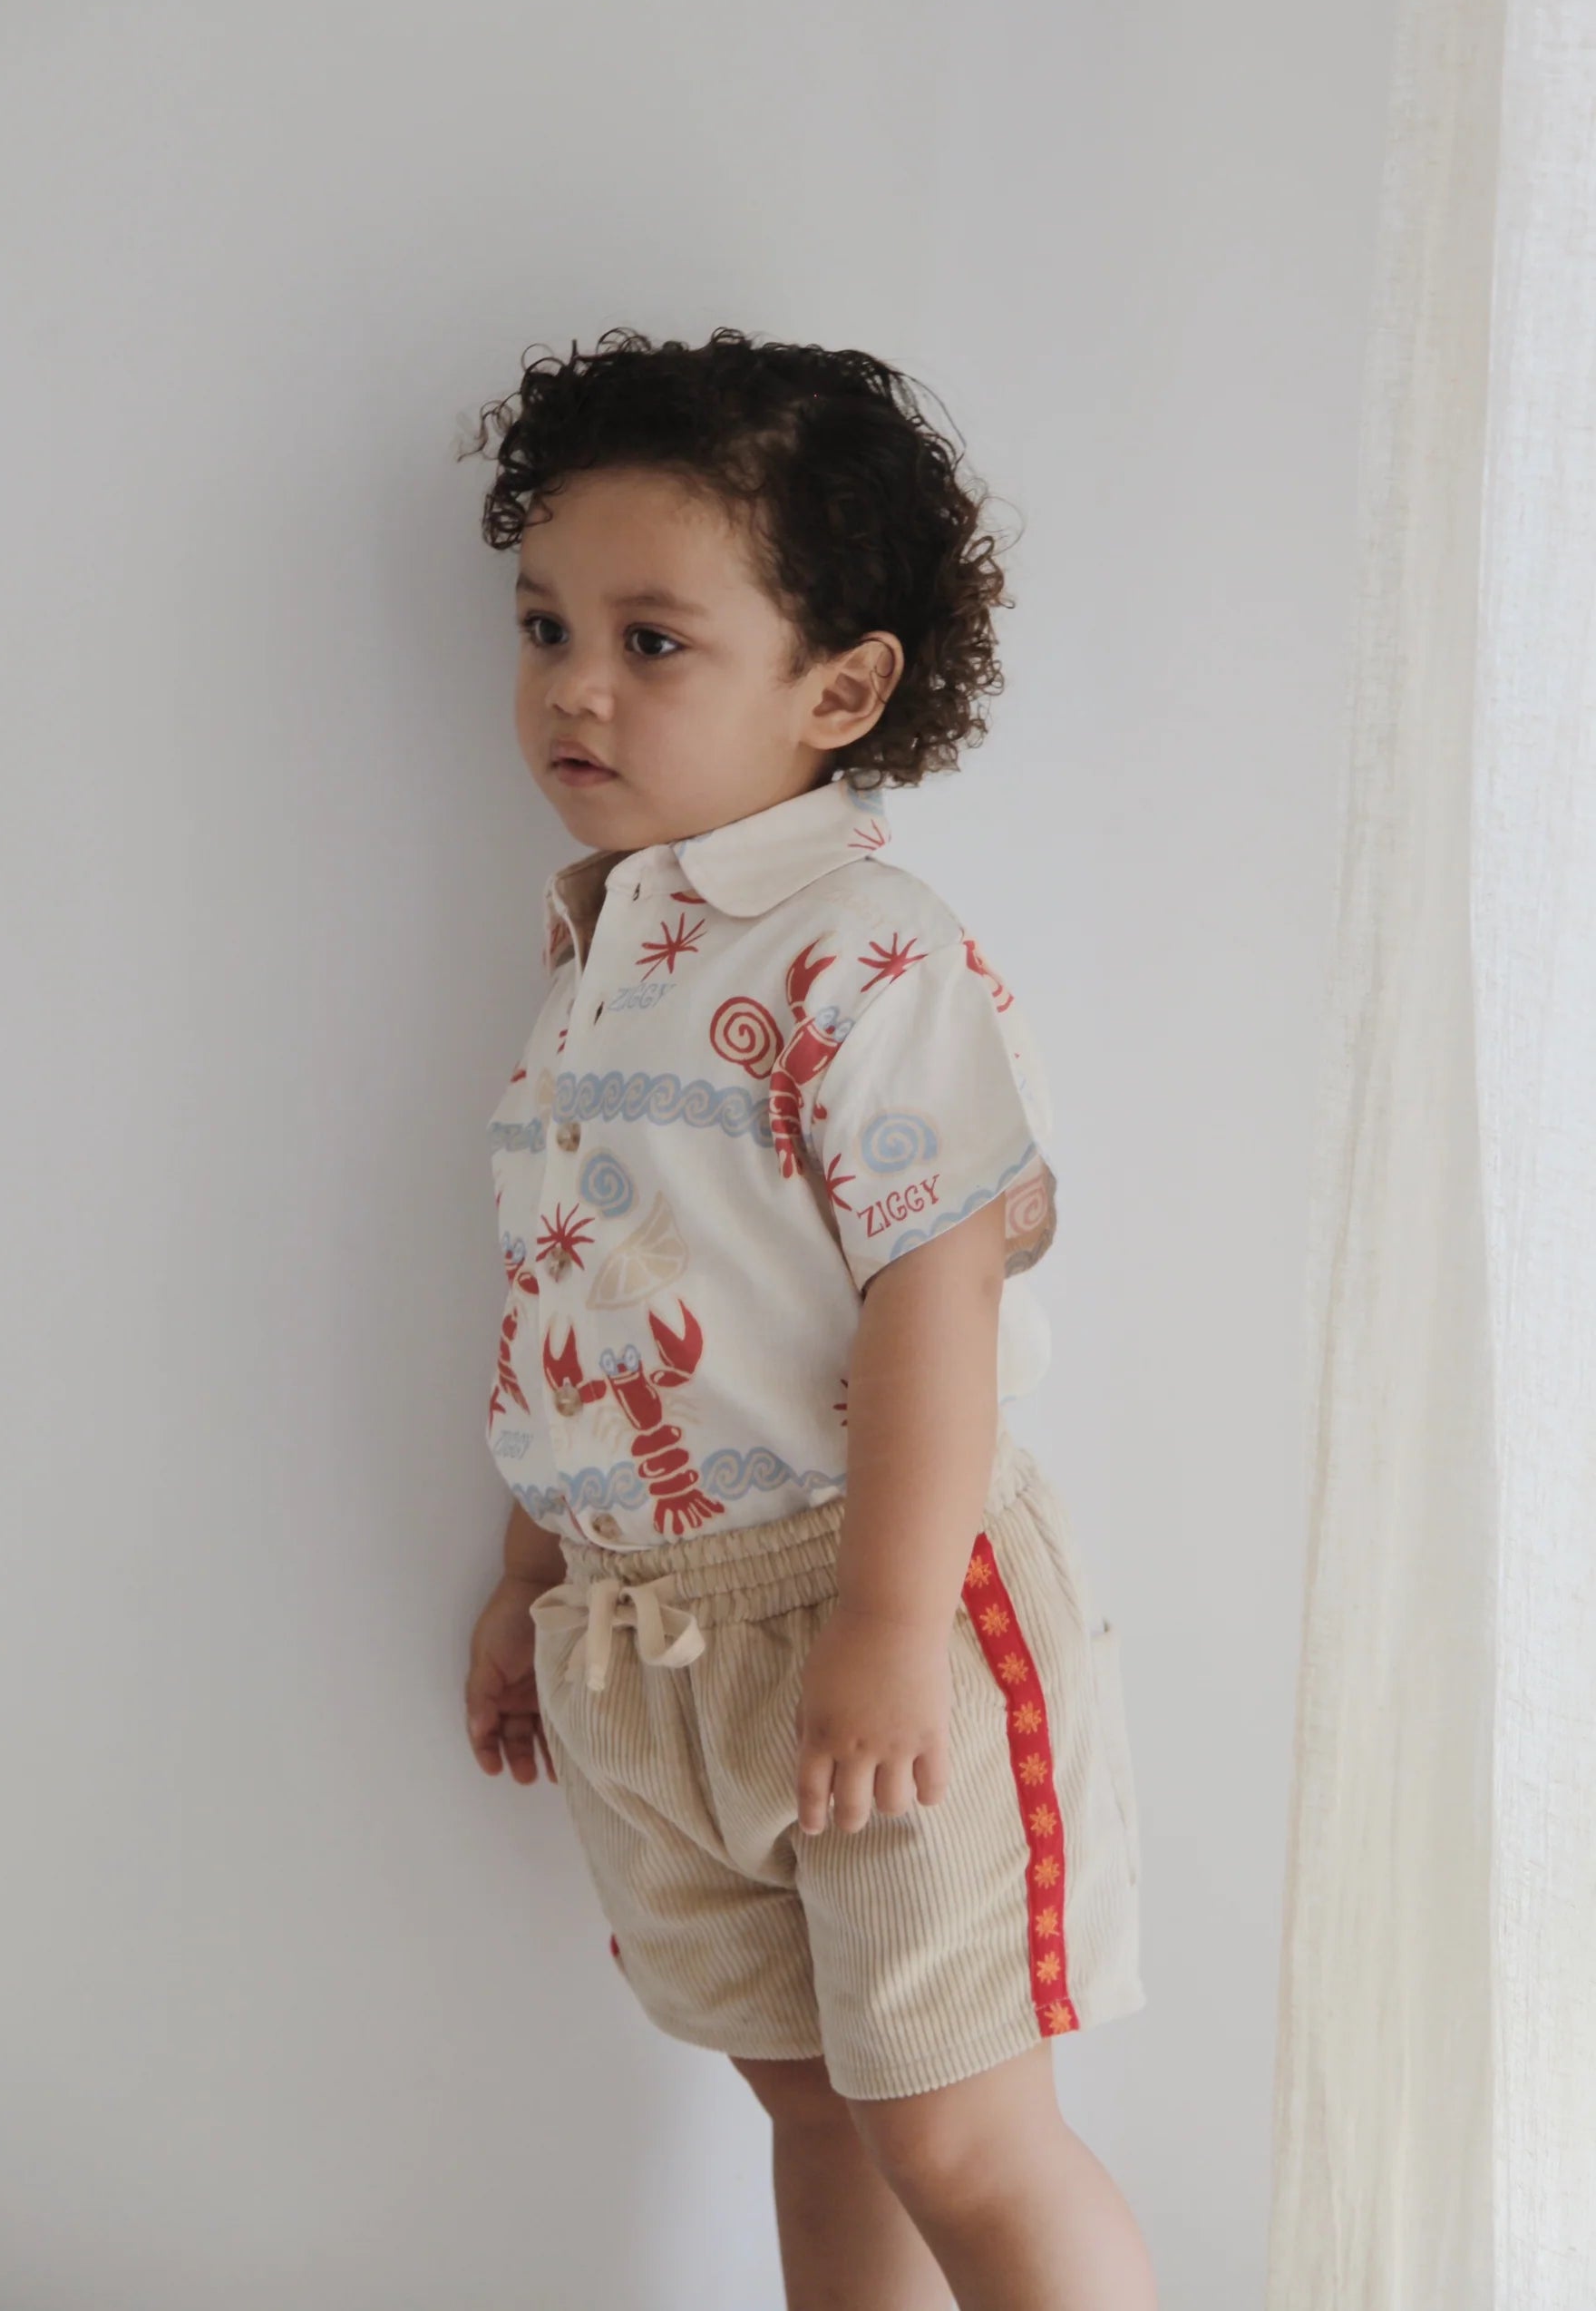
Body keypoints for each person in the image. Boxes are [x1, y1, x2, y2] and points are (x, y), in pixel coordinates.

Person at [461, 327, 1154, 2311]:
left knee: (958, 2124)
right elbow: (575, 1295)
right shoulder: (601, 956)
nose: (575, 685)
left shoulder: (864, 950)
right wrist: (534, 1572)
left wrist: (886, 1626)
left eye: (653, 641)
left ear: (838, 690)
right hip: (647, 1634)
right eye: (546, 625)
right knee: (816, 2103)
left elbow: (939, 1287)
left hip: (875, 1593)